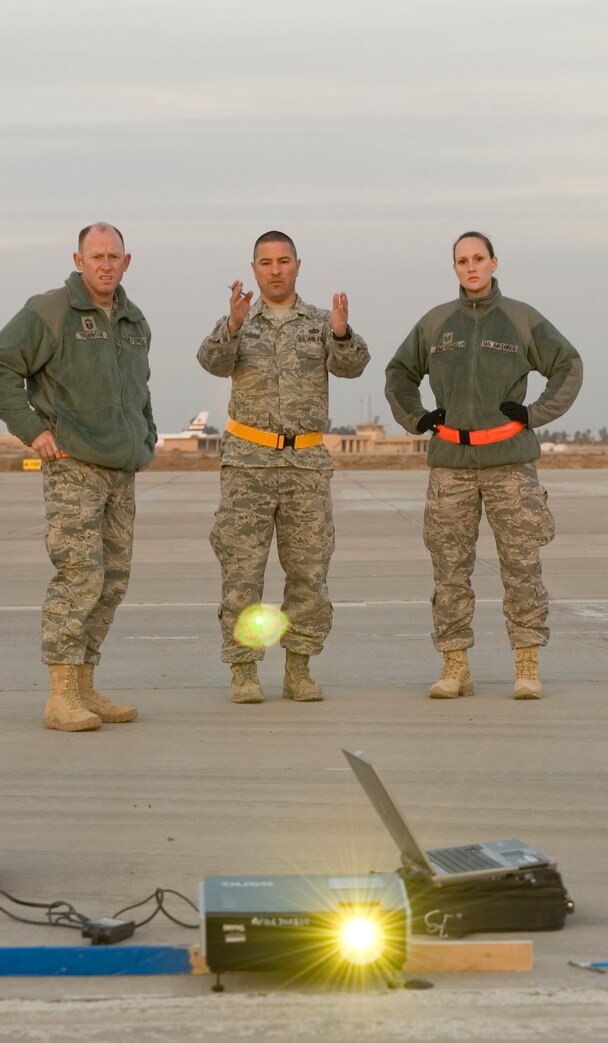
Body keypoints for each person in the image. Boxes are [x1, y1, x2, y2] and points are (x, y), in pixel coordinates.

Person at [385, 231, 582, 700]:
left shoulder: (520, 318)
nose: (471, 267)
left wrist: (536, 413)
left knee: (521, 565)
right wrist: (417, 417)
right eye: (461, 261)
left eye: (478, 258)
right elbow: (398, 375)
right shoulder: (436, 324)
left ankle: (527, 663)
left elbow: (568, 365)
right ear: (454, 268)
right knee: (449, 568)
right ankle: (455, 667)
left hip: (509, 463)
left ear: (494, 262)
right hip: (451, 463)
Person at [0, 223, 154, 731]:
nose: (105, 264)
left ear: (126, 262)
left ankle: (85, 686)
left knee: (113, 582)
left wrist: (147, 439)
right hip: (73, 466)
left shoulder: (132, 319)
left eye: (113, 256)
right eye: (95, 255)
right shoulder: (50, 311)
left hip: (122, 470)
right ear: (77, 260)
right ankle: (60, 697)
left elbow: (139, 388)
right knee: (80, 577)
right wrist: (32, 429)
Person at [196, 230, 369, 703]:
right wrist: (231, 326)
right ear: (254, 269)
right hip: (247, 467)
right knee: (243, 574)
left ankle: (299, 667)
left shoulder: (318, 322)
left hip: (305, 467)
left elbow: (353, 366)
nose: (275, 269)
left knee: (309, 572)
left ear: (297, 265)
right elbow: (210, 361)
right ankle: (246, 670)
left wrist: (340, 332)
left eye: (283, 261)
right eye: (266, 262)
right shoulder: (238, 323)